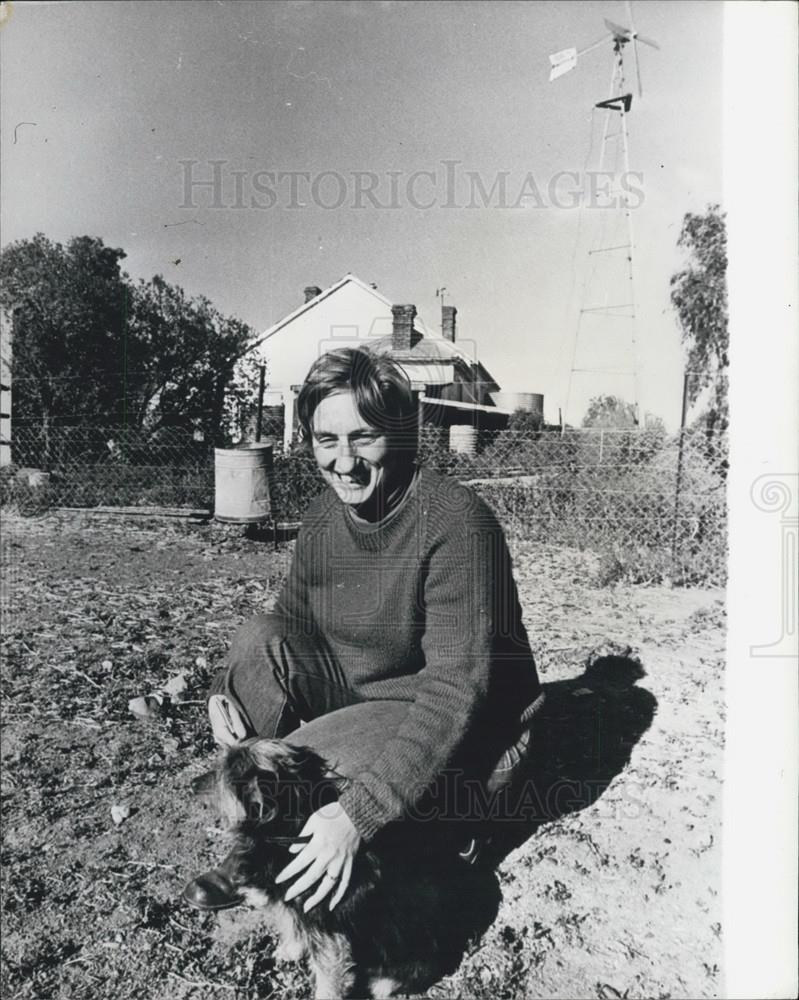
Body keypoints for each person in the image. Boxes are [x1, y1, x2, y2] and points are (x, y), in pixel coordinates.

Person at [183, 347, 543, 913]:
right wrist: (224, 692)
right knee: (260, 637)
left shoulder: (456, 523)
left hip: (467, 725)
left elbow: (455, 692)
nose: (344, 462)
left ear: (400, 435)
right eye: (327, 440)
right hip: (369, 698)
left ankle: (455, 821)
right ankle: (273, 836)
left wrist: (360, 812)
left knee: (305, 767)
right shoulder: (325, 518)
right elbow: (290, 622)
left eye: (364, 437)